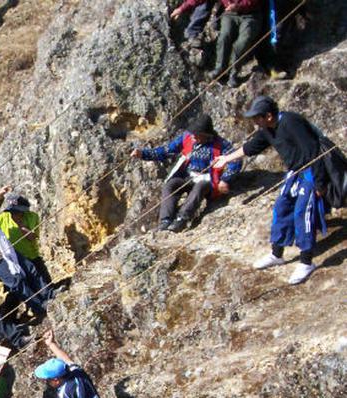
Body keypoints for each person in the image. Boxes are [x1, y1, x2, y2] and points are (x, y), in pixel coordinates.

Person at [212, 95, 330, 285]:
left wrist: (320, 183)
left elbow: (313, 151)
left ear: (268, 116)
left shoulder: (291, 122)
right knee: (281, 207)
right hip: (294, 172)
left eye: (256, 118)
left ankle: (306, 261)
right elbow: (250, 147)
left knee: (303, 212)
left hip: (309, 171)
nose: (254, 122)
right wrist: (226, 159)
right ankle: (277, 253)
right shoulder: (267, 130)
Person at [131, 113, 241, 232]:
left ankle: (181, 219)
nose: (193, 137)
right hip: (189, 176)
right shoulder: (187, 138)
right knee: (171, 185)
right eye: (193, 134)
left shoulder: (221, 144)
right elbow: (167, 150)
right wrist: (143, 154)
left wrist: (225, 179)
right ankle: (165, 220)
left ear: (206, 135)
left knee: (200, 187)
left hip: (208, 179)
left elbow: (236, 160)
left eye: (197, 135)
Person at [208, 0, 263, 87]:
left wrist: (238, 6)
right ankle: (220, 68)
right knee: (224, 37)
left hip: (251, 15)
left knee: (242, 43)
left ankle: (233, 74)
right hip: (229, 14)